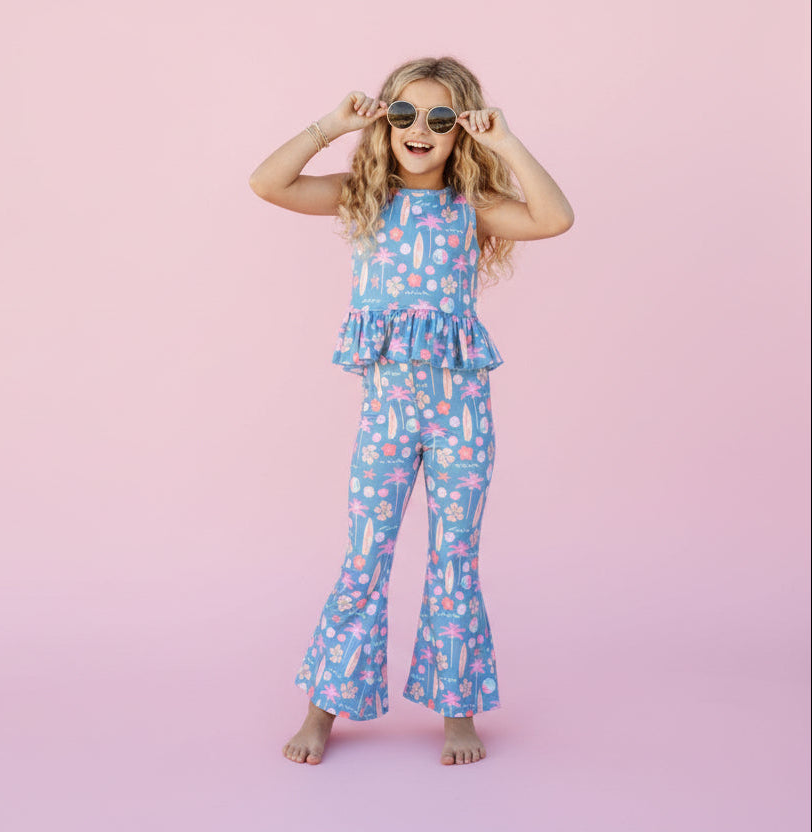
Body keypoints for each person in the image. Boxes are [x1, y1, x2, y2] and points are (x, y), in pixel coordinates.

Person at [249, 55, 574, 766]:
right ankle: (323, 712)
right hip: (388, 419)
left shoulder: (471, 208)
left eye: (439, 118)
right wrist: (330, 125)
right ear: (383, 122)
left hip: (462, 417)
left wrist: (507, 143)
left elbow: (555, 218)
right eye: (403, 114)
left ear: (461, 131)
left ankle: (458, 713)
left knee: (455, 560)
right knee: (365, 558)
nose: (418, 130)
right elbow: (267, 183)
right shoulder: (363, 198)